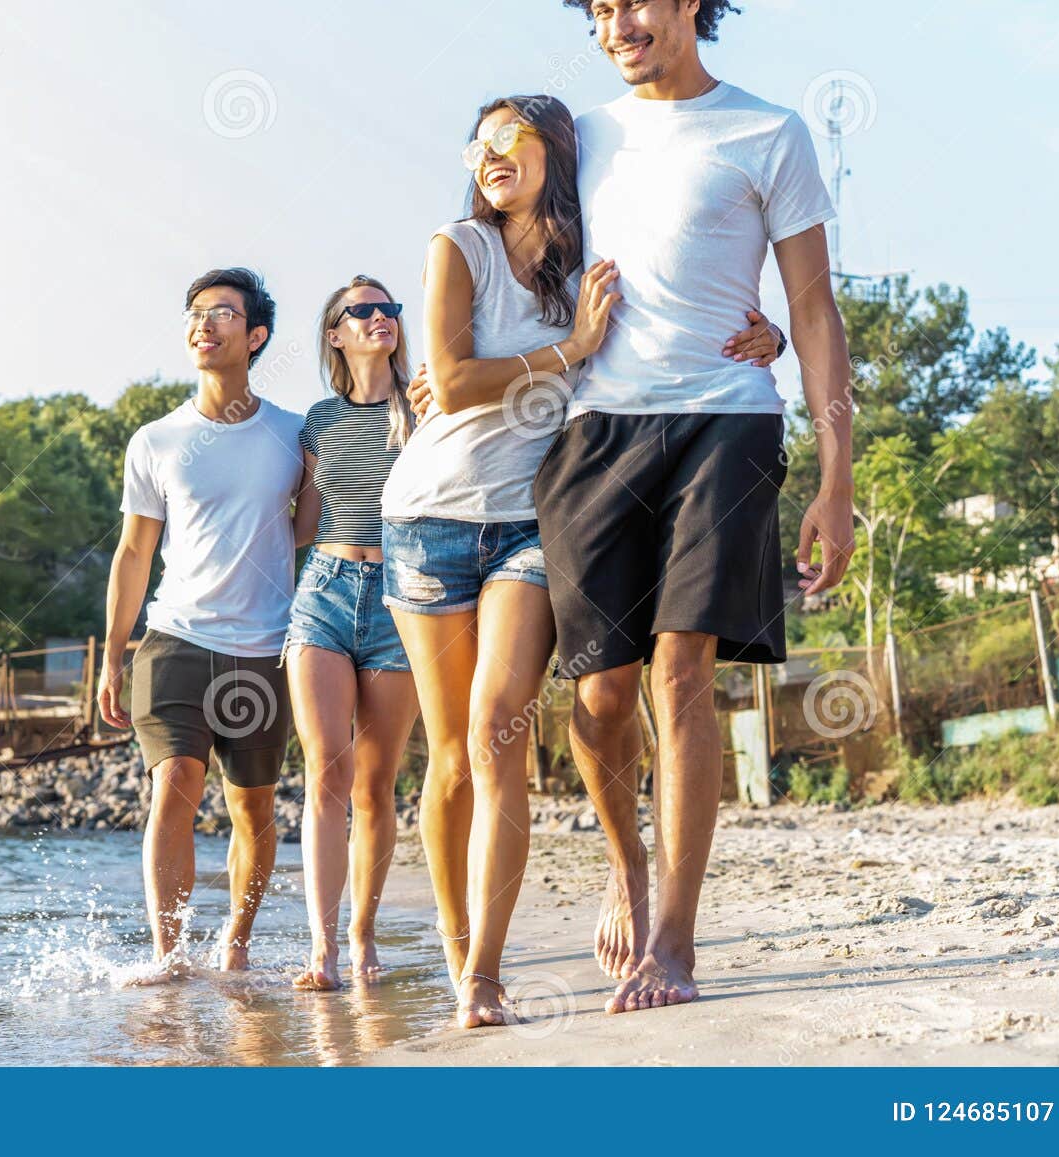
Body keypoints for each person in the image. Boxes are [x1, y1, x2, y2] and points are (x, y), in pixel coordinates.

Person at [385, 93, 783, 1030]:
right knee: (449, 759)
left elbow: (683, 290)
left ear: (557, 153)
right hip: (430, 516)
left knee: (498, 727)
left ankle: (486, 974)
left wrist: (759, 333)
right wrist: (570, 350)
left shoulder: (589, 257)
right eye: (477, 140)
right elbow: (448, 378)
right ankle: (456, 954)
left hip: (530, 520)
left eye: (508, 137)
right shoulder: (460, 246)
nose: (488, 154)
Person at [541, 0, 855, 1014]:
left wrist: (835, 471)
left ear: (687, 6)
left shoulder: (770, 131)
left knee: (682, 668)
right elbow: (496, 243)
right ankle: (627, 863)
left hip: (726, 415)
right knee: (597, 693)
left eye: (631, 2)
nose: (614, 23)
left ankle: (673, 938)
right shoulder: (574, 136)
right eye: (595, 10)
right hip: (596, 430)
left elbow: (810, 307)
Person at [96, 267, 305, 976]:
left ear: (256, 336)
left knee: (253, 810)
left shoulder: (293, 434)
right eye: (194, 313)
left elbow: (313, 529)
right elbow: (133, 552)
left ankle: (236, 944)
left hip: (265, 650)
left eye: (222, 313)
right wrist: (112, 655)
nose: (203, 324)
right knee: (176, 779)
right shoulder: (154, 439)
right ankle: (169, 955)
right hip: (175, 639)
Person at [287, 276, 423, 992]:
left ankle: (364, 935)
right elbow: (302, 524)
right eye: (362, 311)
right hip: (325, 596)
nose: (381, 318)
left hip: (403, 601)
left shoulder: (423, 408)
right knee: (327, 774)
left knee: (374, 785)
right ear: (336, 333)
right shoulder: (318, 420)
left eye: (389, 308)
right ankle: (322, 948)